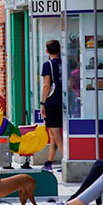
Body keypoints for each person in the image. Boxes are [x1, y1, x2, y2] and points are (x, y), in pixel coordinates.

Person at [40, 40, 63, 172]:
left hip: (52, 102)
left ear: (47, 51)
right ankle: (49, 161)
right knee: (53, 134)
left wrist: (42, 103)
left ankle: (66, 160)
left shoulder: (47, 65)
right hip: (63, 100)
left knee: (55, 132)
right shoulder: (64, 63)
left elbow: (46, 85)